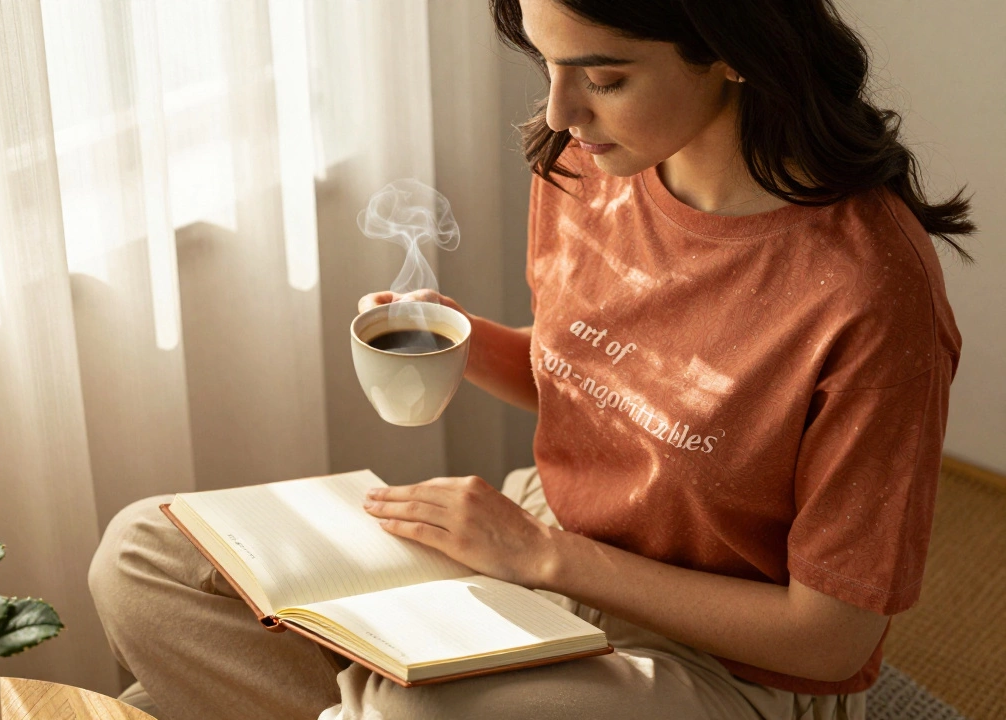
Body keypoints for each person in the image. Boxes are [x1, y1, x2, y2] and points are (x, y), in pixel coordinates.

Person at [88, 0, 972, 718]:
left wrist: (544, 558)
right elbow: (598, 385)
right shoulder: (587, 167)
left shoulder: (867, 291)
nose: (560, 113)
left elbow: (830, 640)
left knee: (417, 713)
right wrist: (457, 340)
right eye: (546, 64)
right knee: (145, 558)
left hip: (726, 659)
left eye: (606, 77)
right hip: (535, 556)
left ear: (732, 48)